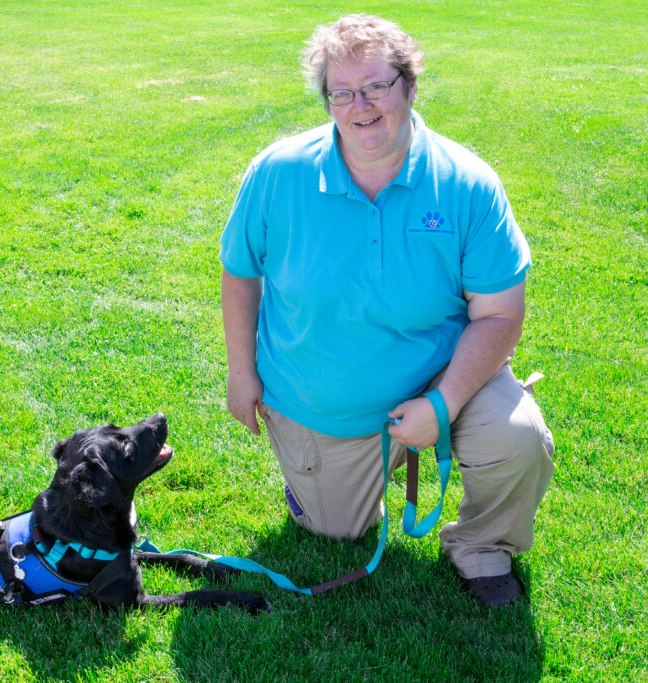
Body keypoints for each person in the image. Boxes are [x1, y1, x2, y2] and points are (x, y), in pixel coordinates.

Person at [220, 13, 555, 608]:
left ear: (409, 84)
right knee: (337, 531)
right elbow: (241, 272)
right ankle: (340, 482)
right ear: (327, 101)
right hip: (325, 402)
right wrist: (241, 372)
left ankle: (482, 546)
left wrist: (442, 403)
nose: (361, 106)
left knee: (518, 438)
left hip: (441, 378)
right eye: (342, 92)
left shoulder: (468, 184)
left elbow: (501, 315)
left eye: (376, 85)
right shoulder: (277, 172)